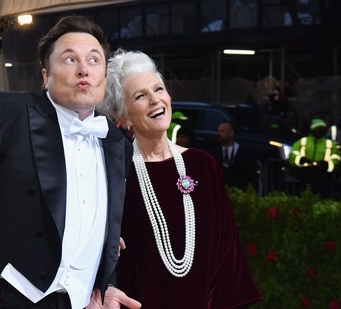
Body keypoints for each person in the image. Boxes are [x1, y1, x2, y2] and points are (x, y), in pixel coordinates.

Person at [0, 16, 140, 309]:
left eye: (94, 60)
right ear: (45, 75)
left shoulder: (117, 143)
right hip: (2, 297)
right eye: (69, 59)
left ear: (104, 75)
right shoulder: (5, 112)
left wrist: (108, 283)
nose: (83, 70)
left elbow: (103, 228)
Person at [97, 49, 261, 308]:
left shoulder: (203, 165)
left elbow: (227, 253)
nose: (155, 100)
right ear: (123, 116)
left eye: (159, 89)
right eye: (141, 95)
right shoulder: (113, 172)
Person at [288, 118, 341, 199]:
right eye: (318, 129)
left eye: (322, 129)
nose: (320, 131)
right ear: (313, 129)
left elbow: (336, 158)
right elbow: (292, 155)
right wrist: (302, 160)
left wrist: (325, 165)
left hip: (323, 177)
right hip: (305, 175)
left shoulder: (330, 144)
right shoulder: (302, 142)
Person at [211, 121, 260, 191]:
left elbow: (251, 177)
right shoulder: (214, 151)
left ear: (231, 134)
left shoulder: (246, 154)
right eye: (218, 131)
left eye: (222, 131)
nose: (218, 134)